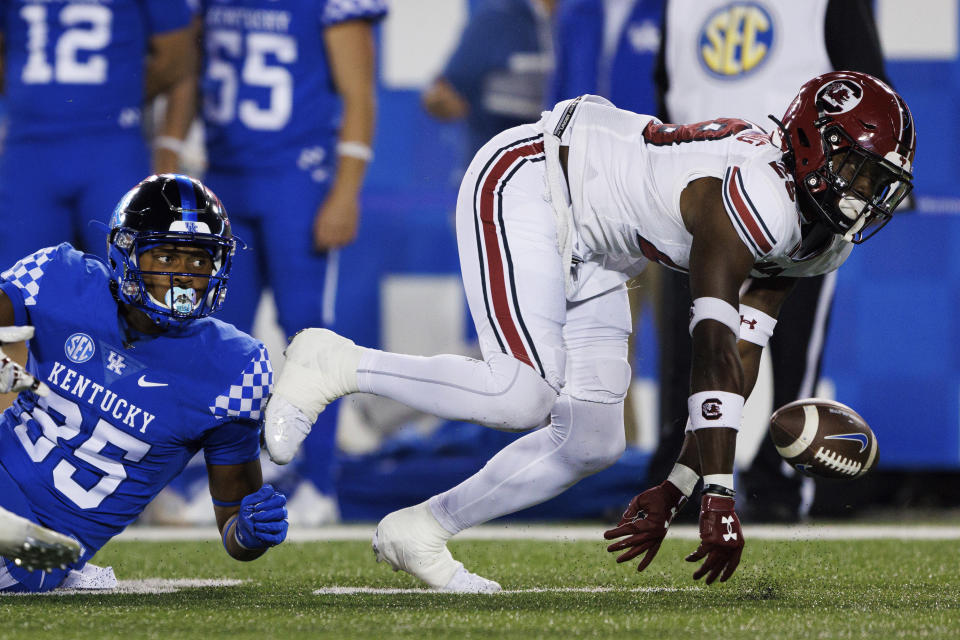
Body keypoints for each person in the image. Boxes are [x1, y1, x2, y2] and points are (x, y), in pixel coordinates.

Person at [263, 71, 916, 590]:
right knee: (519, 392)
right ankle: (336, 364)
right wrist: (718, 492)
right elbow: (710, 346)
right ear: (811, 145)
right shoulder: (753, 192)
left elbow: (741, 356)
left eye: (877, 182)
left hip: (603, 246)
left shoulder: (820, 239)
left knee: (593, 439)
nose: (864, 195)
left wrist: (680, 484)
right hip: (535, 181)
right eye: (858, 171)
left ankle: (422, 529)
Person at [646, 0, 896, 522]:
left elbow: (872, 98)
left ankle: (776, 478)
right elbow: (669, 90)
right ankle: (681, 475)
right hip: (695, 197)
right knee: (694, 343)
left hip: (803, 196)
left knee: (780, 343)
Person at [154, 0, 388, 517]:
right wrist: (168, 150)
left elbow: (359, 97)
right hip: (225, 178)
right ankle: (221, 481)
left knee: (309, 335)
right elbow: (189, 70)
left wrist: (346, 190)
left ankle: (321, 483)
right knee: (211, 335)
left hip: (296, 182)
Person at [0, 174, 288, 592]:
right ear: (126, 252)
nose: (185, 275)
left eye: (200, 259)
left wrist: (249, 532)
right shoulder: (60, 278)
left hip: (31, 551)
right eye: (167, 257)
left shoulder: (234, 369)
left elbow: (232, 522)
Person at [422, 0, 555, 163]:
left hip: (546, 165)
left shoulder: (569, 22)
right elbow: (443, 95)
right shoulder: (498, 16)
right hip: (494, 165)